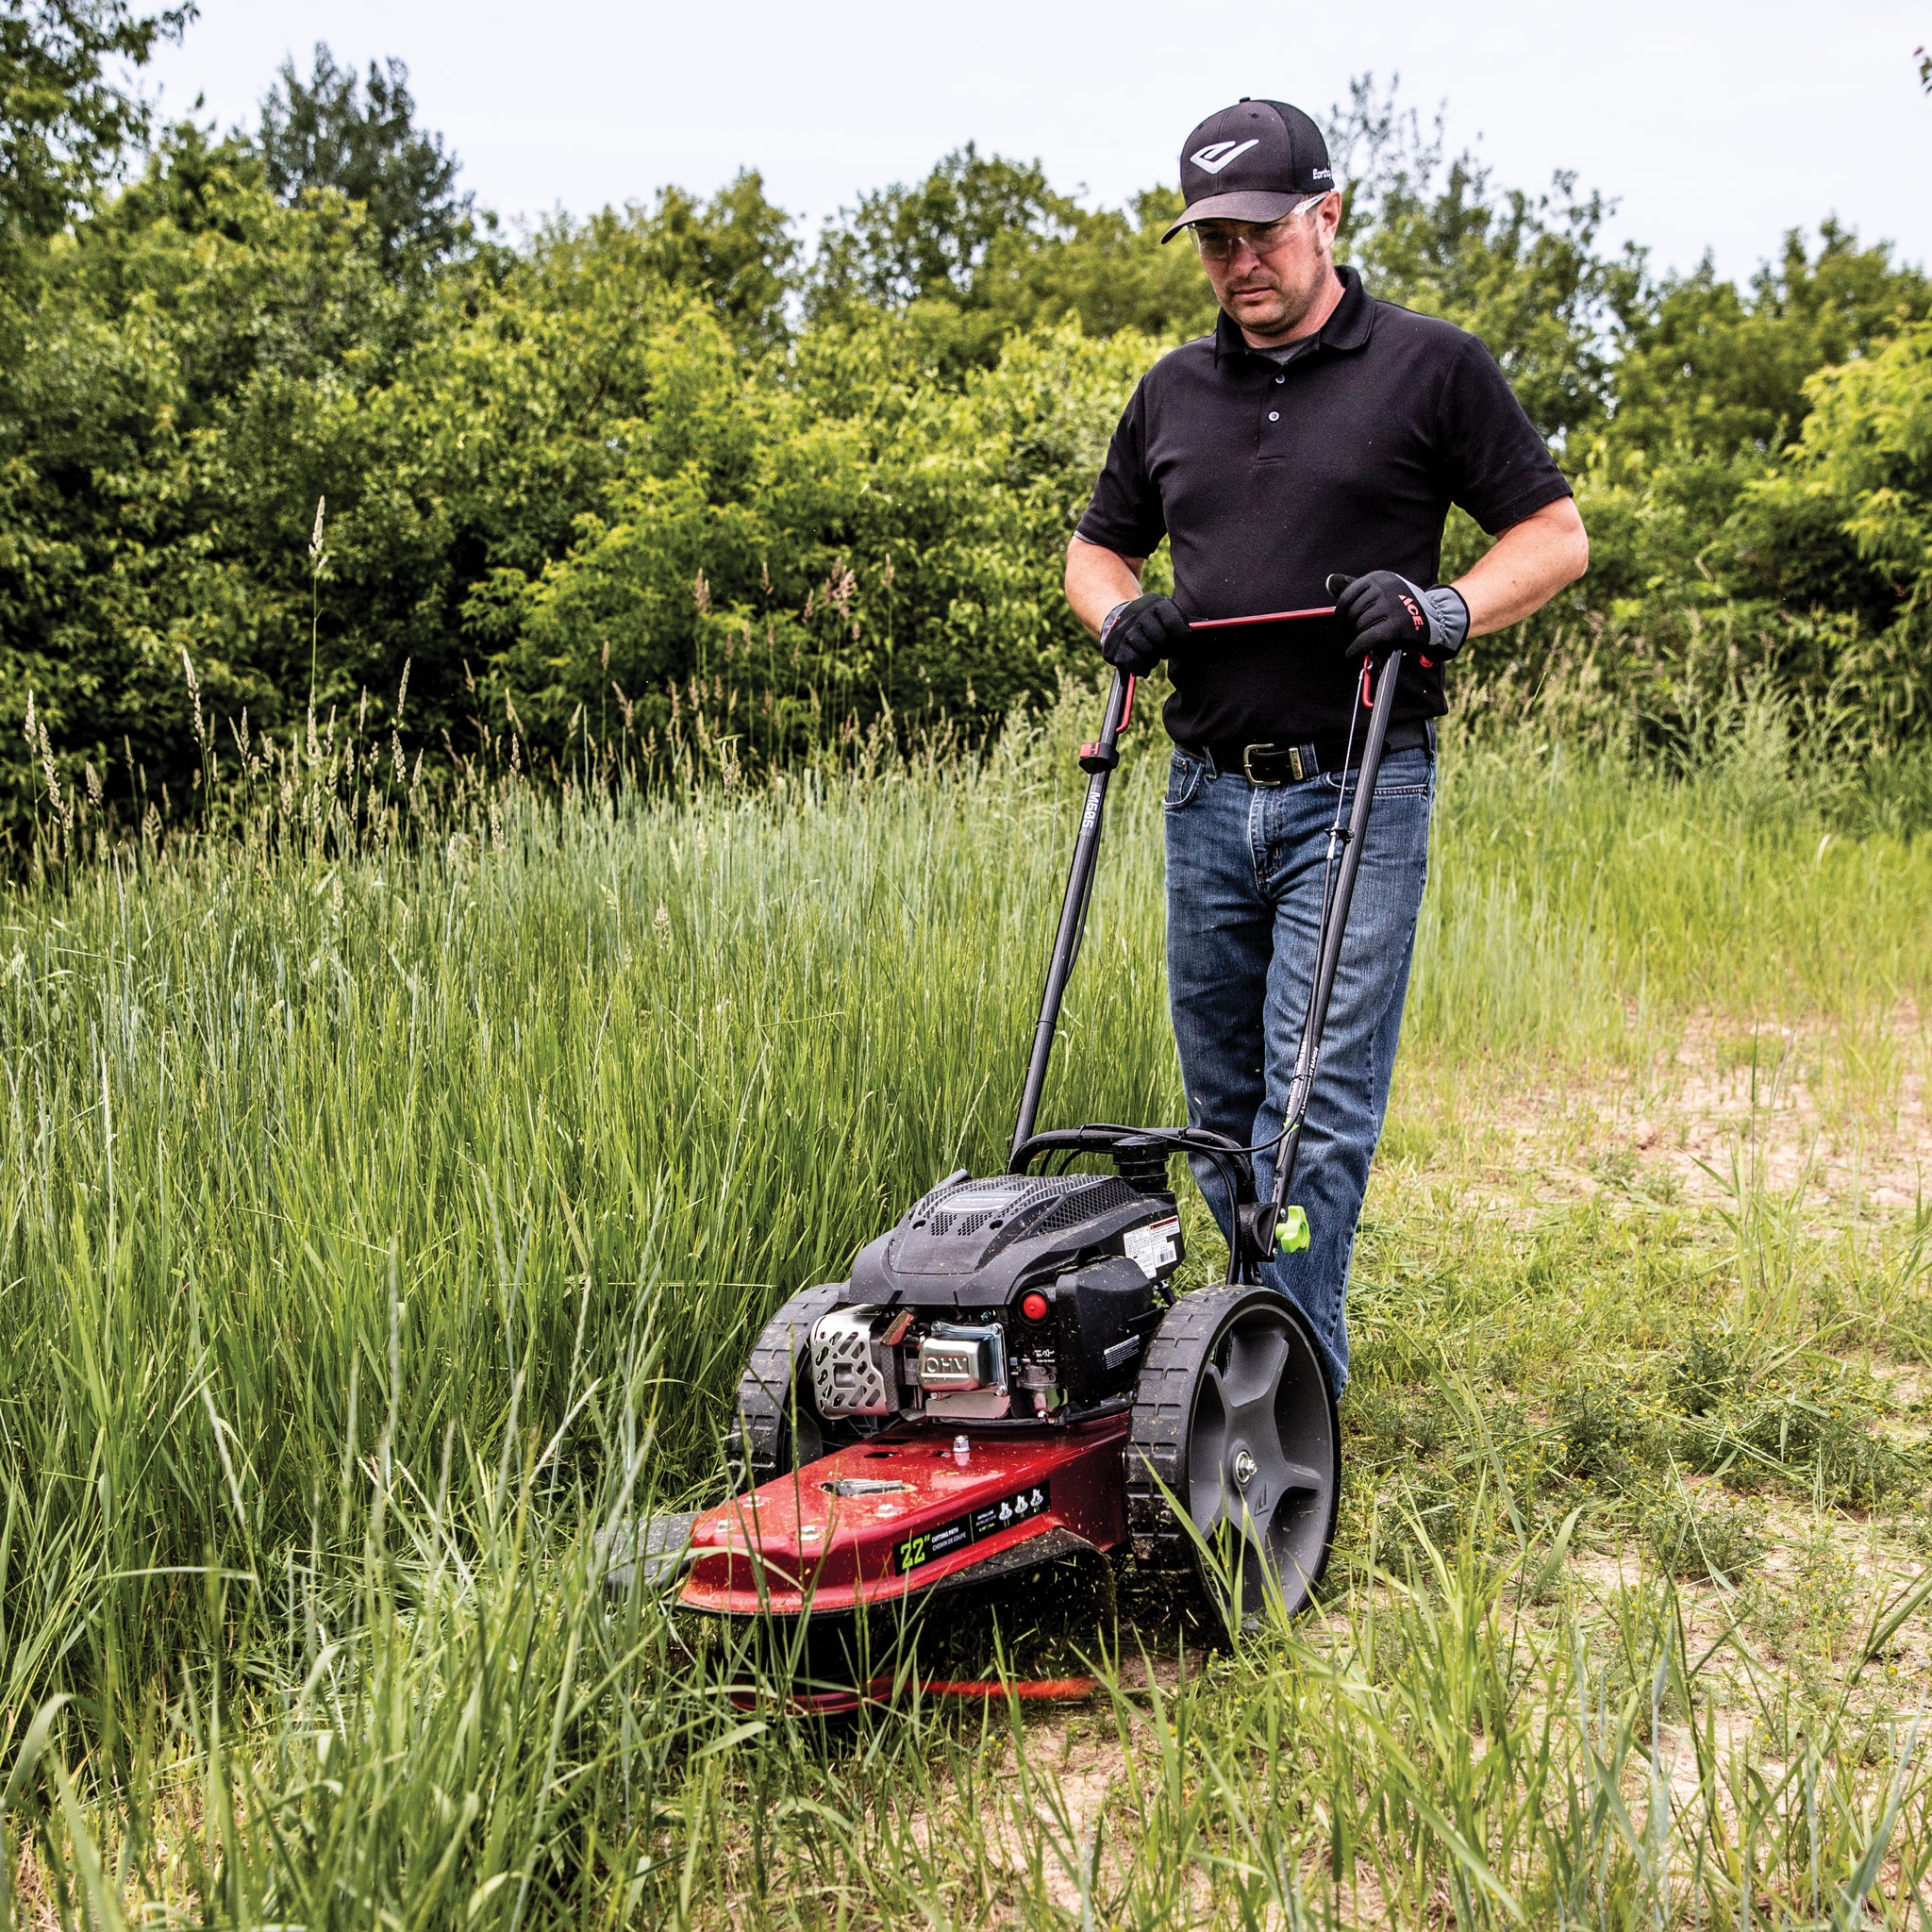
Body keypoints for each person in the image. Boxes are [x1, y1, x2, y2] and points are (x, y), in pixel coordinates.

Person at [1065, 97, 1588, 1395]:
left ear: (1327, 215)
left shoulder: (1430, 366)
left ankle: (1282, 1407)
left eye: (1261, 231)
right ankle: (1222, 1362)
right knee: (1221, 1110)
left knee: (1313, 1114)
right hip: (1203, 796)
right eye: (1214, 239)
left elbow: (1556, 535)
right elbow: (1095, 548)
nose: (1239, 260)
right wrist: (1122, 614)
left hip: (1358, 784)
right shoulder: (1173, 389)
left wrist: (1439, 608)